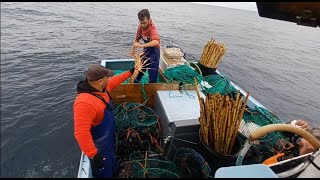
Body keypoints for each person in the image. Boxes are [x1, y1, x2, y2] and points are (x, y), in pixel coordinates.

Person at [73, 64, 134, 178]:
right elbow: (81, 132)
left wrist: (131, 72)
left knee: (111, 159)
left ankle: (116, 171)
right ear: (101, 81)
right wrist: (93, 155)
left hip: (109, 140)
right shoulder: (84, 103)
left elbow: (116, 80)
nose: (109, 79)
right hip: (99, 147)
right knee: (104, 170)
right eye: (107, 77)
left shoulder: (102, 88)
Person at [129, 8, 160, 83]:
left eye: (145, 23)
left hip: (154, 52)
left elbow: (156, 42)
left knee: (152, 72)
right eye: (141, 22)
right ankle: (135, 83)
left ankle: (152, 85)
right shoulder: (140, 26)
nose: (143, 25)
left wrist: (142, 45)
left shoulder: (153, 29)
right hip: (146, 51)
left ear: (149, 20)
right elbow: (137, 39)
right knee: (139, 69)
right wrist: (132, 49)